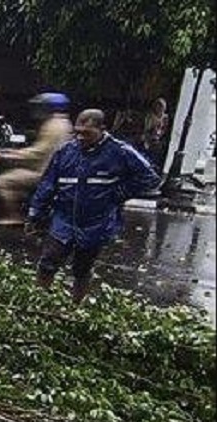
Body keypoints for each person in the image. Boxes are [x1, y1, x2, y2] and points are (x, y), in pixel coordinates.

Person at [27, 109, 160, 303]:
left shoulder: (120, 152)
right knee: (48, 261)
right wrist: (35, 213)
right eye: (77, 132)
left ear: (102, 130)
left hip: (95, 224)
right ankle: (38, 301)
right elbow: (48, 184)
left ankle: (76, 306)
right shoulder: (65, 152)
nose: (80, 137)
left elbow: (150, 178)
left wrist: (120, 193)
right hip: (63, 219)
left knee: (82, 268)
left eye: (87, 133)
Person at [0, 92, 74, 225]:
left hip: (44, 172)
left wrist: (11, 154)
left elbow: (39, 152)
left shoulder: (53, 126)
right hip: (52, 169)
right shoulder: (64, 123)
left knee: (2, 181)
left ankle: (14, 216)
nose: (38, 111)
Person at [141, 97, 169, 168]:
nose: (159, 109)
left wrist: (160, 133)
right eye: (157, 106)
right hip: (149, 136)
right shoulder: (150, 116)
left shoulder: (165, 118)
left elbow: (164, 129)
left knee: (159, 148)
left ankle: (153, 164)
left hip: (158, 138)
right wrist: (152, 131)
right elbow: (146, 128)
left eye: (161, 107)